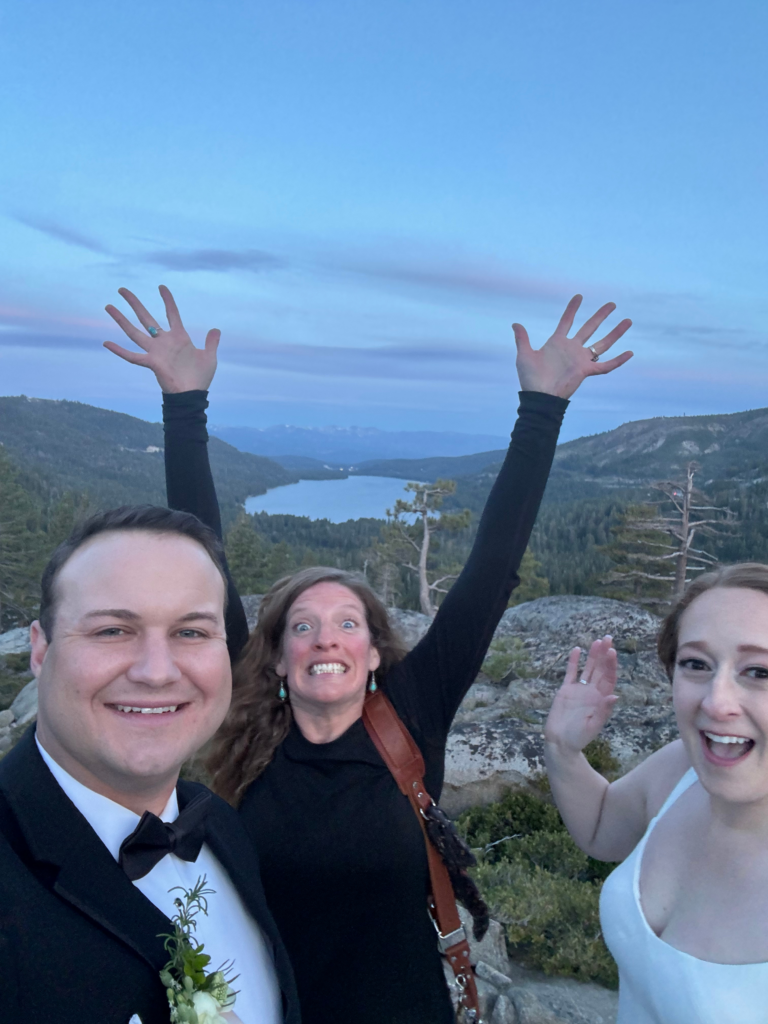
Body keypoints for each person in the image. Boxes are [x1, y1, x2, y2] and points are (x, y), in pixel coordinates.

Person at [104, 285, 633, 1024]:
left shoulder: (411, 714)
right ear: (279, 659)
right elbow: (204, 561)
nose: (326, 636)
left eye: (348, 623)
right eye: (303, 625)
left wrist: (541, 406)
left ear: (375, 653)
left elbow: (489, 572)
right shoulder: (249, 723)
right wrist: (184, 402)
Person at [0, 506, 300, 1024]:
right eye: (113, 631)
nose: (157, 673)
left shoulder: (221, 827)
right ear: (41, 650)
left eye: (191, 632)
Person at [544, 563, 768, 1024]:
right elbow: (602, 829)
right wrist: (563, 749)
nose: (716, 701)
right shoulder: (680, 770)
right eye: (696, 664)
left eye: (759, 671)